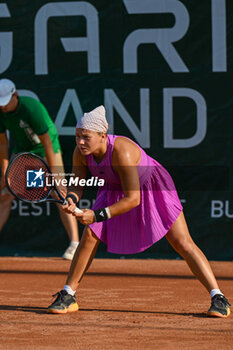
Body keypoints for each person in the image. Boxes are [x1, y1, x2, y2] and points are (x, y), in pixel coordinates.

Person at [47, 105, 231, 317]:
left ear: (102, 136)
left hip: (152, 187)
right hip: (114, 189)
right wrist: (71, 199)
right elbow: (77, 184)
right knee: (90, 234)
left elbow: (133, 199)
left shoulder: (121, 152)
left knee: (181, 241)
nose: (80, 142)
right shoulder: (80, 153)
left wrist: (96, 215)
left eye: (86, 137)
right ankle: (68, 295)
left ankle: (219, 298)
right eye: (77, 136)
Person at [0, 79, 79, 260]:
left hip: (46, 149)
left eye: (5, 101)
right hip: (22, 151)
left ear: (15, 95)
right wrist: (5, 171)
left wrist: (55, 177)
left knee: (59, 193)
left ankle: (75, 244)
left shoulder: (32, 108)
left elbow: (47, 143)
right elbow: (3, 143)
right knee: (5, 195)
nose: (3, 107)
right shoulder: (0, 112)